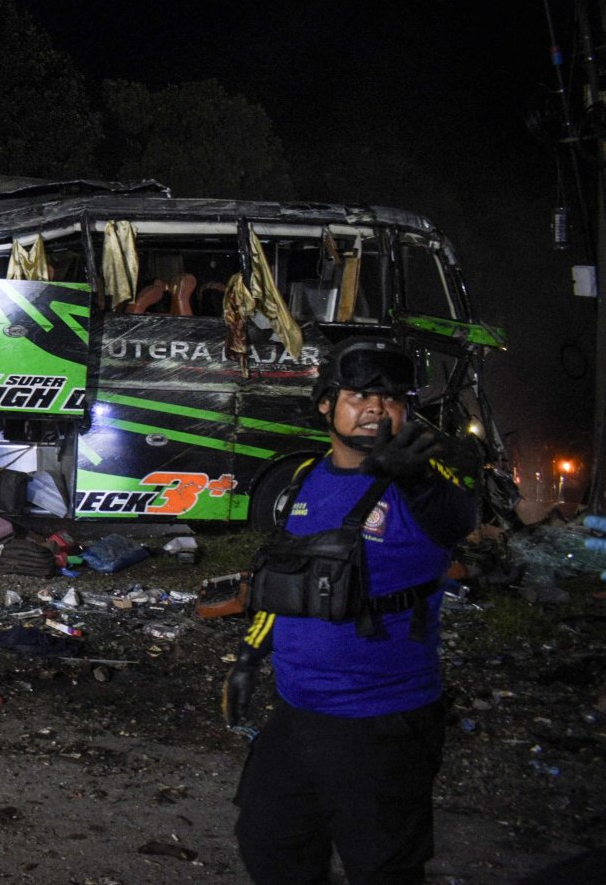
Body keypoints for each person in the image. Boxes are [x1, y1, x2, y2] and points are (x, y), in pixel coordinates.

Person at [224, 337, 478, 884]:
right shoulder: (303, 480)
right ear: (325, 404)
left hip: (382, 722)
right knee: (270, 842)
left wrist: (415, 476)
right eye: (358, 394)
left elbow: (456, 519)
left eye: (390, 399)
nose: (374, 408)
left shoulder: (426, 482)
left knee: (383, 868)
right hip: (298, 713)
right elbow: (284, 582)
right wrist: (249, 656)